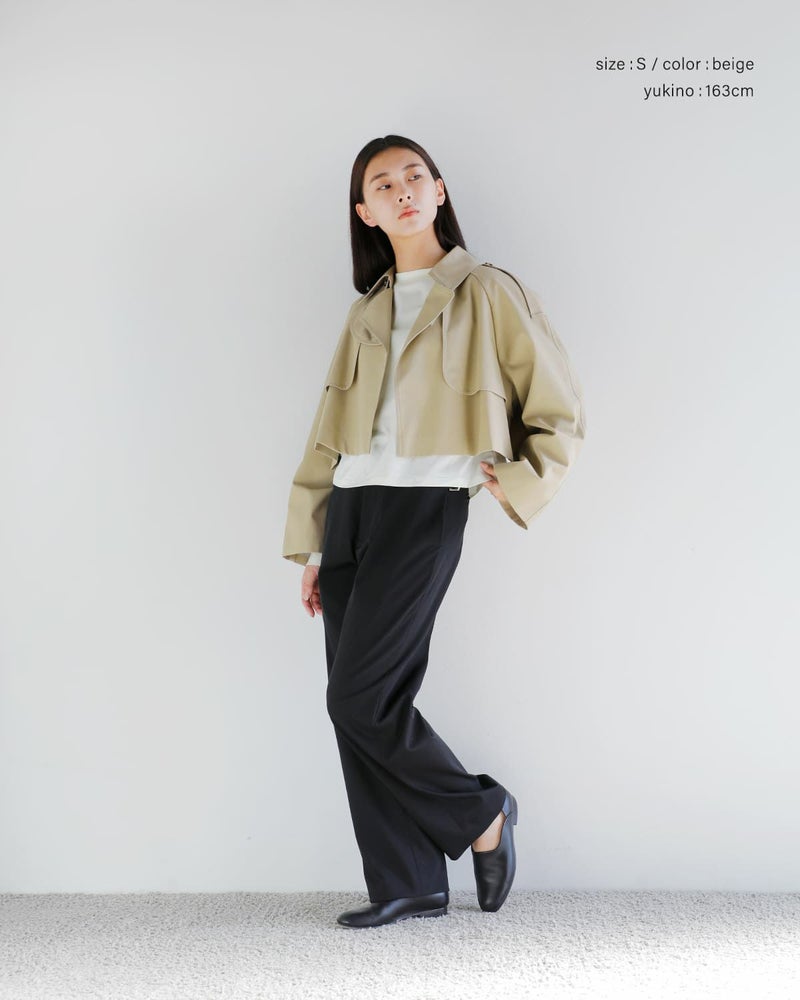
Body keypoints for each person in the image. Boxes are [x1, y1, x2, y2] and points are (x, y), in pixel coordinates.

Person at [281, 135, 586, 928]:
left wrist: (519, 478)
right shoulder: (366, 310)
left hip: (424, 509)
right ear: (365, 212)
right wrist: (314, 540)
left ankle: (481, 813)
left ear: (440, 191)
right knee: (361, 703)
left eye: (415, 176)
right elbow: (328, 432)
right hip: (351, 509)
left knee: (358, 698)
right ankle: (407, 882)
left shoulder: (486, 290)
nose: (403, 190)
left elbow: (557, 406)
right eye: (384, 185)